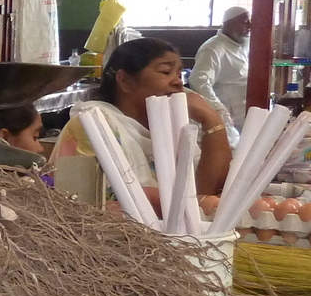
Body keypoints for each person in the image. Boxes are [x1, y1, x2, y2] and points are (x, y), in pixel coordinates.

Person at [52, 37, 230, 206]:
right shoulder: (93, 125)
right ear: (125, 81)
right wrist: (196, 203)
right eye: (166, 72)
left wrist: (211, 120)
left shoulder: (171, 129)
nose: (177, 82)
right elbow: (108, 199)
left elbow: (211, 189)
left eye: (179, 74)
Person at [190, 5, 249, 138]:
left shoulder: (243, 44)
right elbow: (198, 79)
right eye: (244, 22)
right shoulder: (213, 48)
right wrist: (217, 108)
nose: (249, 26)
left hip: (247, 117)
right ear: (228, 23)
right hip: (229, 121)